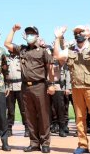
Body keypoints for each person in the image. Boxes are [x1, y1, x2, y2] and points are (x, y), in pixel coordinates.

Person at [53, 25, 90, 154]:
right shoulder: (70, 50)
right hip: (76, 88)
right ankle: (82, 145)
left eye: (81, 32)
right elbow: (57, 56)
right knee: (80, 117)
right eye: (76, 33)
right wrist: (57, 38)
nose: (78, 35)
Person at [4, 25, 54, 153]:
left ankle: (45, 143)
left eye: (32, 33)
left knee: (43, 115)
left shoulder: (43, 51)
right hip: (25, 86)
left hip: (40, 85)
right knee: (29, 116)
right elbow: (7, 43)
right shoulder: (22, 49)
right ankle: (34, 143)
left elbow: (50, 68)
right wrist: (13, 30)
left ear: (37, 36)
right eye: (27, 34)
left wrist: (51, 84)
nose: (29, 36)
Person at [5, 49, 28, 137]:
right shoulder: (6, 59)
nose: (11, 52)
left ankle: (27, 128)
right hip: (10, 87)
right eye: (10, 50)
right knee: (10, 110)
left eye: (13, 50)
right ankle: (9, 128)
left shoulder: (21, 58)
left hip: (20, 86)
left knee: (24, 109)